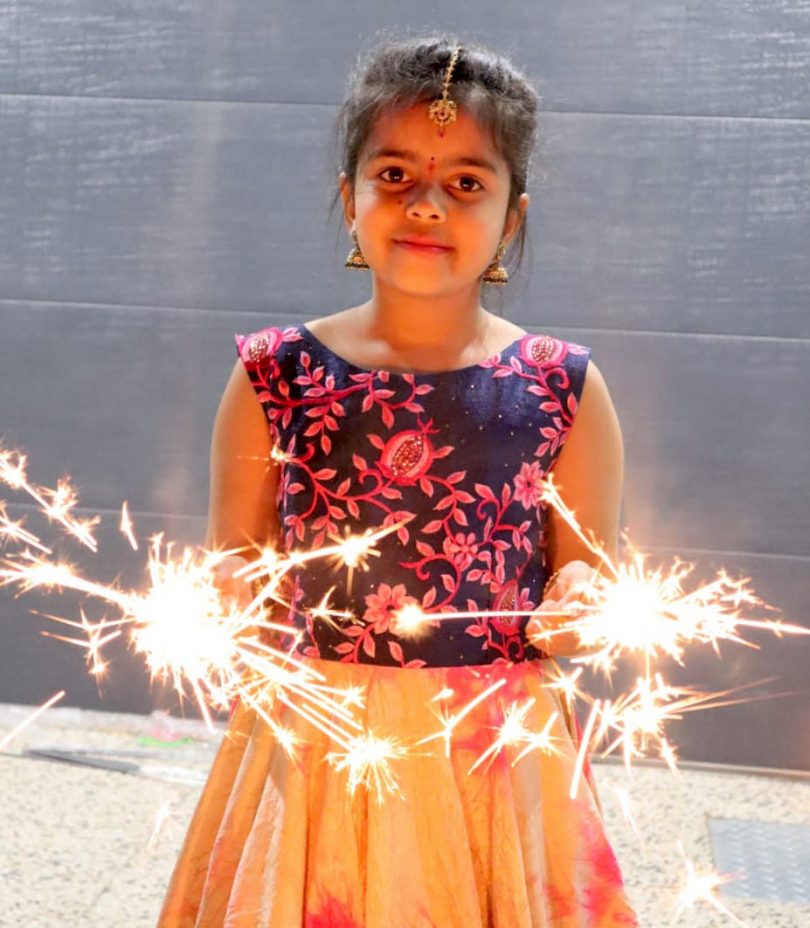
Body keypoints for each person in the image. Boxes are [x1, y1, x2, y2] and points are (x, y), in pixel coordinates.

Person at [158, 34, 640, 927]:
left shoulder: (564, 383)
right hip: (322, 743)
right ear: (350, 199)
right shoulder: (275, 373)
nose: (426, 205)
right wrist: (222, 588)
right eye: (394, 175)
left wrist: (579, 596)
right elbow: (237, 562)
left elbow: (589, 577)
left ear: (512, 218)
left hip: (495, 751)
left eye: (466, 182)